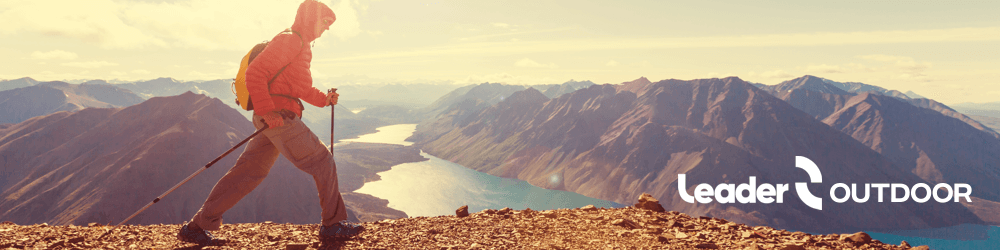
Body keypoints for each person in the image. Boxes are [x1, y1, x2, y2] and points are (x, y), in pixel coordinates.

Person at [177, 0, 362, 244]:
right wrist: (267, 111)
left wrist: (325, 99)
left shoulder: (300, 44)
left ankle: (197, 227)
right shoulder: (291, 40)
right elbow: (256, 73)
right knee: (322, 161)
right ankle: (333, 224)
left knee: (247, 173)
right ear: (310, 18)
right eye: (325, 22)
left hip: (274, 118)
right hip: (278, 117)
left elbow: (301, 88)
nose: (327, 28)